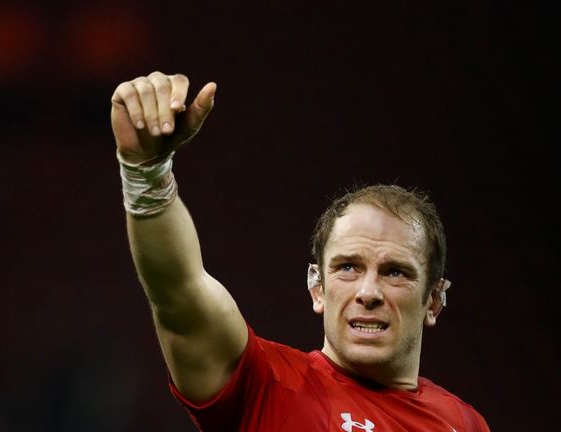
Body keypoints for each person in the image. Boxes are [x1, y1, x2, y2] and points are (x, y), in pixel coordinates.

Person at [110, 71, 491, 431]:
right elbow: (178, 291)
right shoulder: (264, 384)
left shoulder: (463, 423)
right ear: (317, 287)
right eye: (347, 267)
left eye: (395, 272)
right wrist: (147, 173)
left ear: (434, 300)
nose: (368, 293)